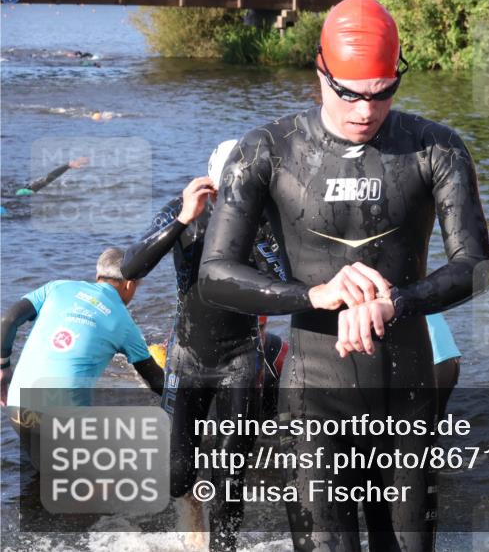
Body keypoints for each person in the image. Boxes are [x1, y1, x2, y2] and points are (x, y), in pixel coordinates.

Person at [198, 0, 489, 552]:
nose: (365, 110)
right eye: (349, 93)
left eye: (382, 93)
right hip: (314, 397)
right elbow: (215, 274)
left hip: (404, 395)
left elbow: (475, 268)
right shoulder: (267, 150)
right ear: (321, 71)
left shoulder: (437, 148)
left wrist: (396, 302)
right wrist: (317, 293)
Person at [120, 141, 287, 552]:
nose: (236, 192)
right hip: (188, 356)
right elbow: (130, 266)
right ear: (212, 178)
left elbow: (285, 277)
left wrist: (257, 226)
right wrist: (181, 219)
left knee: (230, 478)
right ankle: (193, 518)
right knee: (179, 477)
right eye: (228, 183)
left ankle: (222, 546)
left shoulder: (264, 216)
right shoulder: (184, 206)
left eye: (246, 184)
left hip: (241, 358)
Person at [0, 248, 164, 467]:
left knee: (47, 473)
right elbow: (156, 381)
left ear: (97, 277)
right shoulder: (124, 323)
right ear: (129, 284)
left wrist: (3, 367)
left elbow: (9, 320)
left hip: (17, 406)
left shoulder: (57, 287)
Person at [0, 156, 89, 217]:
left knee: (23, 192)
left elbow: (44, 181)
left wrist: (67, 166)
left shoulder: (20, 195)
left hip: (18, 200)